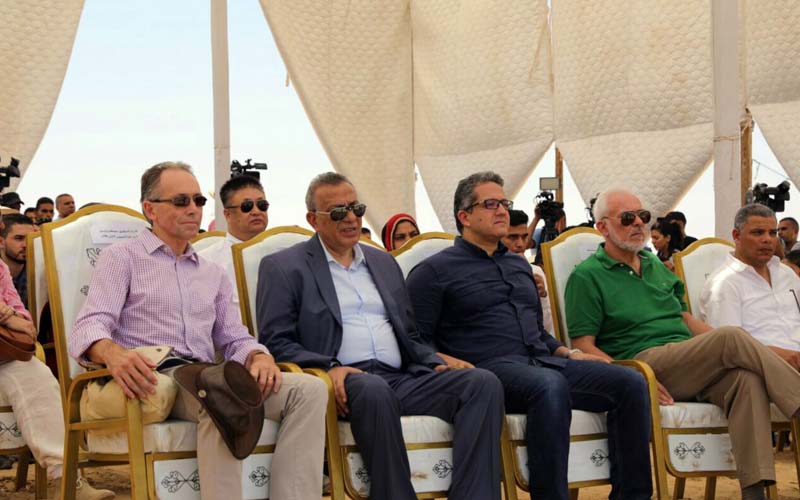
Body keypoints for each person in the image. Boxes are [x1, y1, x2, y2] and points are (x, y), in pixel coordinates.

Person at [69, 161, 327, 500]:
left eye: (198, 201)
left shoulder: (211, 272)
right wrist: (112, 353)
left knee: (308, 390)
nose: (193, 209)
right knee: (220, 392)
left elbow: (234, 337)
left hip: (205, 375)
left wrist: (257, 355)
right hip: (153, 378)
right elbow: (89, 324)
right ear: (150, 209)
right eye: (181, 201)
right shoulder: (122, 258)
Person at [257, 172, 505, 500]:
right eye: (338, 212)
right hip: (345, 382)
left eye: (356, 209)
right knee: (373, 389)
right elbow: (276, 341)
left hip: (400, 377)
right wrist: (328, 367)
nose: (350, 218)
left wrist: (434, 358)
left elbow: (409, 333)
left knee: (481, 383)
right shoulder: (284, 267)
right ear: (313, 220)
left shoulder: (383, 262)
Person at [407, 172, 652, 500]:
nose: (502, 210)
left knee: (629, 382)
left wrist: (571, 353)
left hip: (542, 361)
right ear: (464, 216)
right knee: (548, 385)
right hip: (489, 370)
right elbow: (414, 338)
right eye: (490, 204)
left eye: (504, 203)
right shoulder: (433, 272)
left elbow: (538, 333)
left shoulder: (519, 266)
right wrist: (443, 359)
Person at [565, 188, 800, 500]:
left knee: (746, 380)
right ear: (603, 227)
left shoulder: (654, 266)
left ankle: (754, 492)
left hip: (685, 360)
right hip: (643, 362)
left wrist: (720, 345)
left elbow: (686, 319)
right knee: (730, 335)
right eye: (627, 218)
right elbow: (583, 345)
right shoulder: (587, 276)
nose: (639, 223)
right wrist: (632, 376)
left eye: (643, 216)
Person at [0, 215, 114, 499]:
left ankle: (67, 481)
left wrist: (13, 317)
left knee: (38, 375)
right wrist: (6, 316)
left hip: (3, 356)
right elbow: (12, 316)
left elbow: (25, 321)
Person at [699, 204, 800, 370]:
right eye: (758, 232)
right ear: (737, 236)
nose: (767, 239)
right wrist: (783, 356)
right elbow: (730, 348)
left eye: (772, 233)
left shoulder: (786, 274)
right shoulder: (724, 284)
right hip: (765, 368)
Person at [199, 175, 269, 308]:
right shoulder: (206, 262)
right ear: (227, 214)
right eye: (247, 206)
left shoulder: (282, 253)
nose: (256, 211)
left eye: (262, 205)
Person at [503, 208, 554, 334]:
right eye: (513, 237)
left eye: (524, 237)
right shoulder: (486, 272)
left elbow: (546, 328)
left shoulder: (536, 272)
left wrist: (542, 297)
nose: (520, 244)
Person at [0, 214, 36, 308]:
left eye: (30, 238)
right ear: (1, 242)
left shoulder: (38, 273)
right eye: (19, 238)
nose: (26, 244)